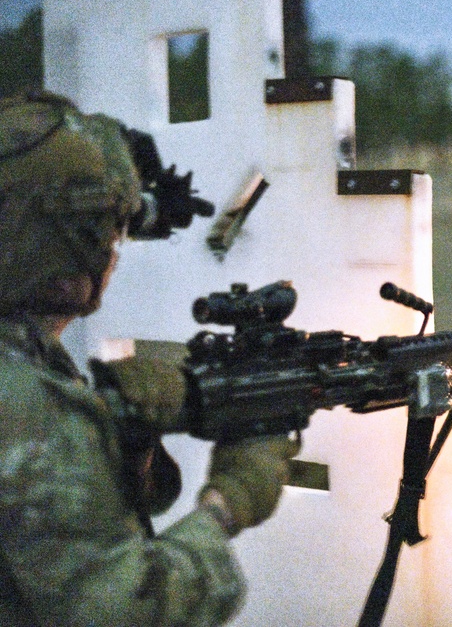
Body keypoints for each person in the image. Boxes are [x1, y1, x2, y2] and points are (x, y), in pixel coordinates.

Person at [0, 92, 298, 626]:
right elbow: (127, 611)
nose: (115, 250)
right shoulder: (23, 399)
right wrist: (226, 505)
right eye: (109, 228)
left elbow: (40, 528)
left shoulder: (25, 353)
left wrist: (119, 441)